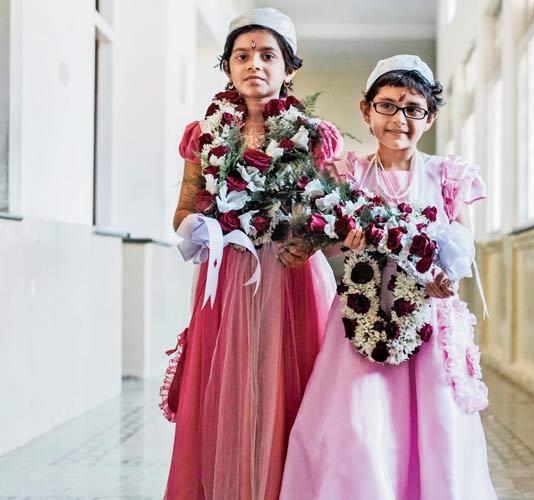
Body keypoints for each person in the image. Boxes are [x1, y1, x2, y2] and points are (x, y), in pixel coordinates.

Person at [280, 55, 497, 500]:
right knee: (359, 423)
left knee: (436, 430)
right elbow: (331, 242)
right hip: (360, 315)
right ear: (367, 111)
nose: (400, 119)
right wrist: (348, 242)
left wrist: (444, 278)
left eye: (413, 108)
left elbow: (460, 246)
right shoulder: (348, 175)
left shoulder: (448, 175)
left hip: (430, 324)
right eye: (388, 106)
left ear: (430, 117)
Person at [162, 8, 342, 499]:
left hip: (292, 276)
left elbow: (335, 213)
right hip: (230, 274)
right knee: (231, 391)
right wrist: (199, 226)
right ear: (228, 67)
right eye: (242, 55)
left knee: (292, 386)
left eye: (268, 55)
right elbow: (181, 211)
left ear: (289, 69)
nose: (254, 65)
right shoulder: (206, 135)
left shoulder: (313, 137)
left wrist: (309, 239)